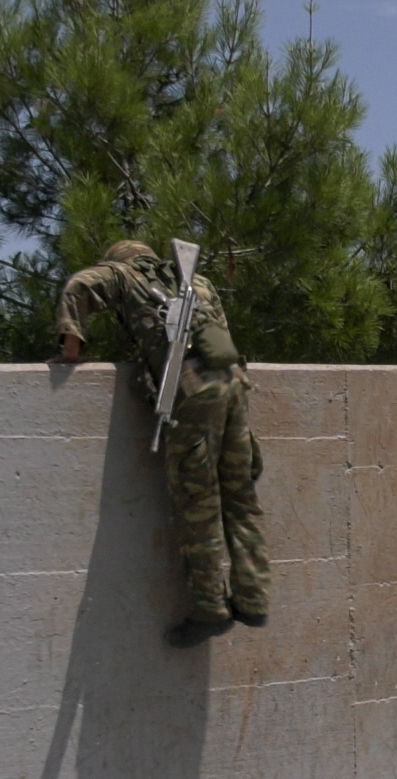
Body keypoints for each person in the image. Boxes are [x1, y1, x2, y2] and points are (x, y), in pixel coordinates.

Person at [56, 240, 271, 648]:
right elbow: (223, 339)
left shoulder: (122, 275)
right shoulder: (197, 282)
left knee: (199, 502)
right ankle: (254, 597)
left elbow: (79, 287)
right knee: (241, 498)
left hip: (191, 389)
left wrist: (71, 349)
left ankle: (211, 607)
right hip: (234, 385)